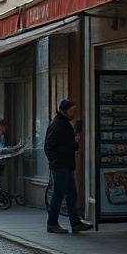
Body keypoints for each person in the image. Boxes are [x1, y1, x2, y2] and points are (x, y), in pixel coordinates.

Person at [44, 98, 92, 234]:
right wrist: (54, 161)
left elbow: (66, 145)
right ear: (65, 110)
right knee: (59, 193)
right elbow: (49, 146)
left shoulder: (64, 125)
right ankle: (52, 223)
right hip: (61, 164)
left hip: (66, 164)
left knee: (71, 194)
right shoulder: (58, 125)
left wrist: (74, 142)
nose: (73, 113)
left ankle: (75, 222)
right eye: (71, 110)